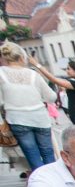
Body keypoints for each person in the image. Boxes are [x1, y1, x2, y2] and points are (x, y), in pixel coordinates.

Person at [0, 42, 57, 172]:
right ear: (21, 57)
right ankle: (54, 182)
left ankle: (41, 183)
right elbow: (52, 97)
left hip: (17, 119)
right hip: (40, 118)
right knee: (48, 152)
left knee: (32, 153)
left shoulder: (1, 73)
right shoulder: (33, 74)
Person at [30, 58, 75, 126]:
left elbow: (54, 80)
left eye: (68, 69)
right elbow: (54, 78)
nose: (66, 71)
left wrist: (37, 65)